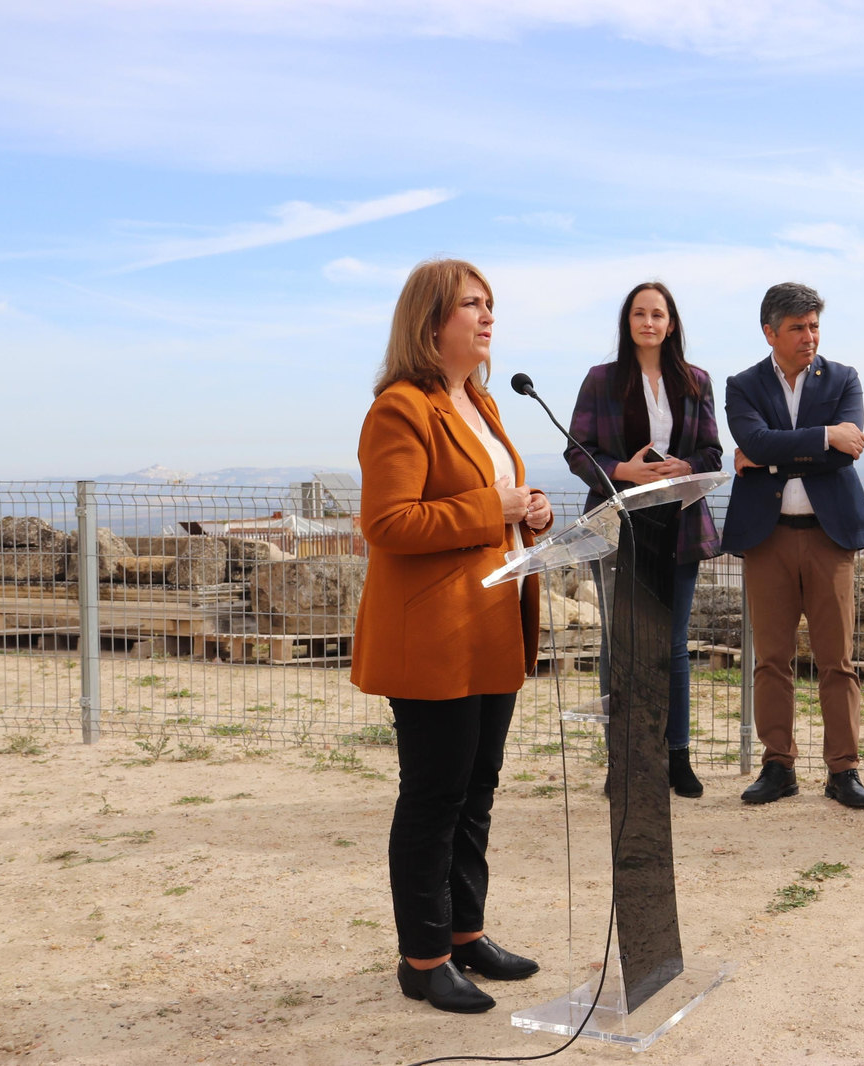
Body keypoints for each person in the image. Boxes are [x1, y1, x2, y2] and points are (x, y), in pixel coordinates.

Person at [351, 258, 553, 1014]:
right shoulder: (399, 409)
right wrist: (491, 506)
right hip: (432, 640)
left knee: (477, 793)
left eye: (490, 304)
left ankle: (467, 935)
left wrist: (528, 511)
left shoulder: (483, 403)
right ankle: (423, 958)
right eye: (472, 304)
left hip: (492, 627)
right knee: (434, 796)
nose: (487, 315)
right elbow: (388, 523)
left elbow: (492, 504)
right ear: (431, 322)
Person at [564, 281, 723, 797]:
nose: (649, 322)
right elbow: (578, 451)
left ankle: (677, 756)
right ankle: (626, 761)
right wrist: (621, 470)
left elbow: (712, 453)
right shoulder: (601, 380)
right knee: (622, 643)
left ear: (671, 323)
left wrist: (687, 465)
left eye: (658, 314)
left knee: (673, 645)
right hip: (617, 527)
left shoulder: (696, 381)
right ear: (627, 322)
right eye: (639, 313)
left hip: (678, 527)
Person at [723, 282, 864, 809]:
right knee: (772, 660)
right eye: (798, 327)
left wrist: (768, 455)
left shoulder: (843, 378)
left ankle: (844, 771)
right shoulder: (742, 385)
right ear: (770, 332)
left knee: (837, 660)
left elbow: (846, 451)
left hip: (828, 539)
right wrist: (820, 437)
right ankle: (778, 766)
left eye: (814, 325)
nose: (809, 336)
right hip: (766, 539)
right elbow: (757, 440)